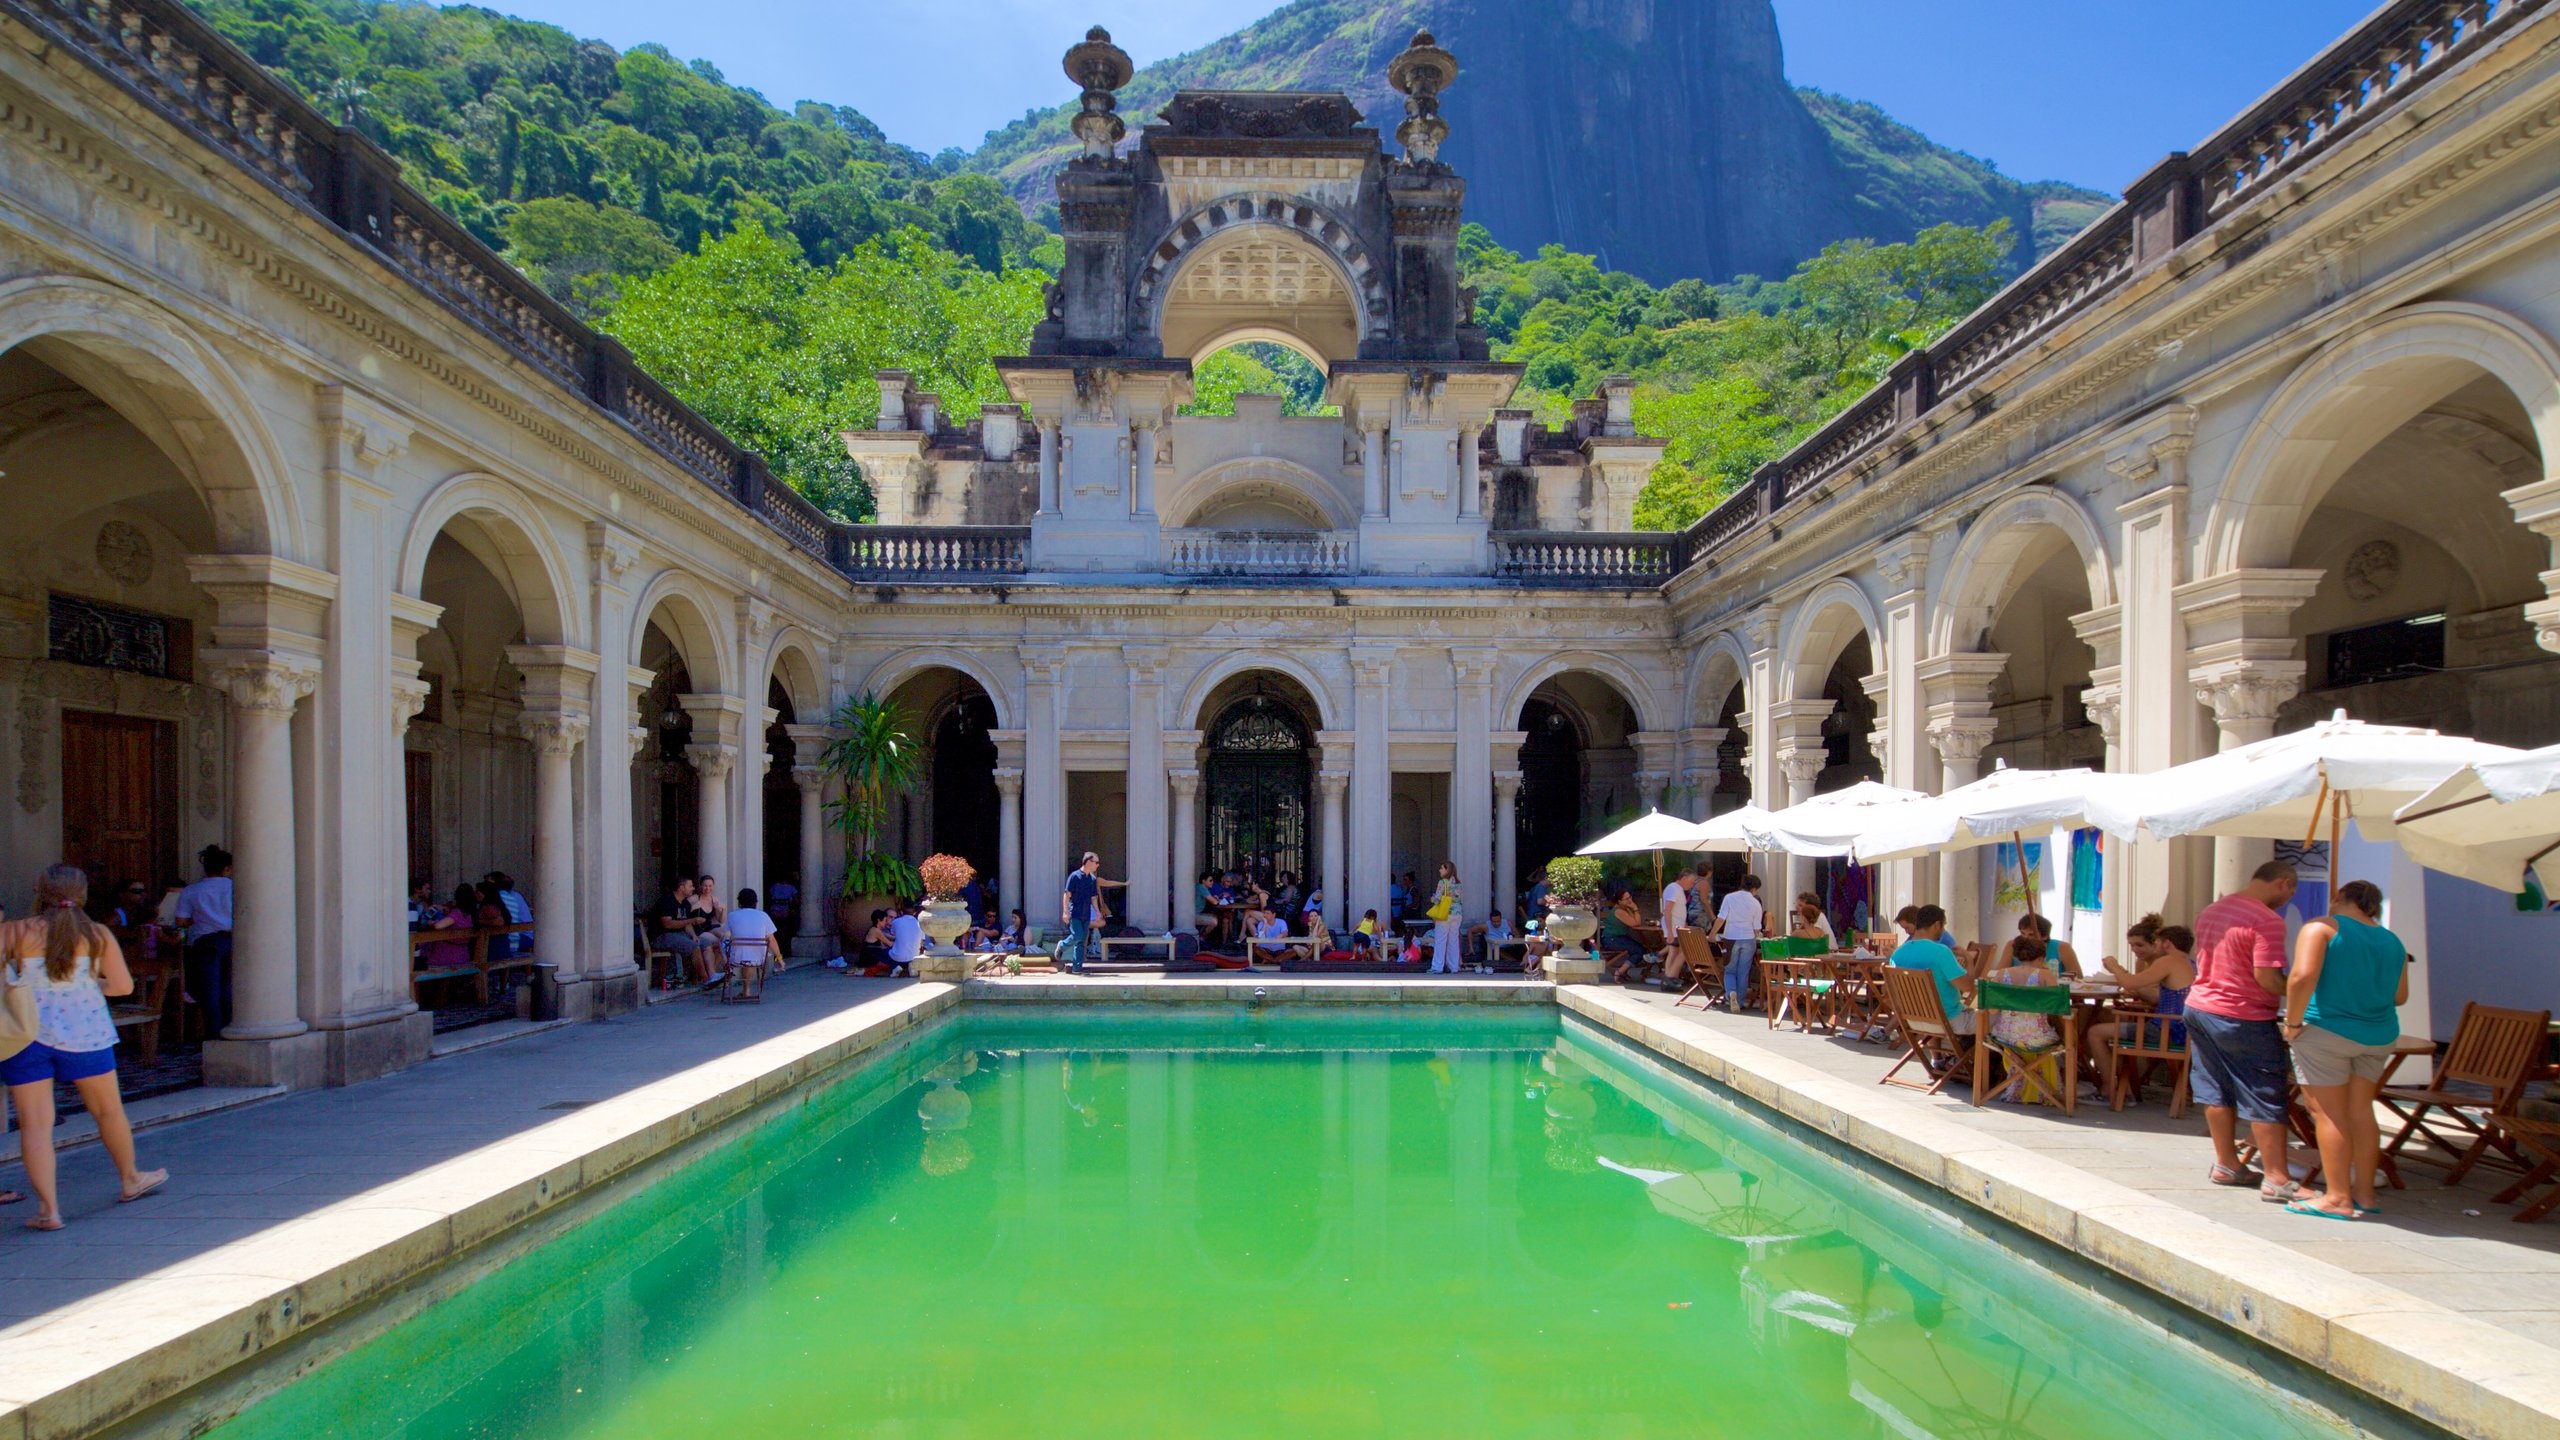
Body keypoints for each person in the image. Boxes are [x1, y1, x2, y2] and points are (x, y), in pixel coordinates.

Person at [2, 866, 168, 1229]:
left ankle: (49, 1211)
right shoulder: (97, 934)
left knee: (35, 1124)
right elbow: (122, 987)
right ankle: (130, 1179)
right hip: (86, 1032)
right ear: (83, 894)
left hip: (26, 1036)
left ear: (38, 890)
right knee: (108, 1111)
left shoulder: (13, 931)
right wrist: (86, 985)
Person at [2283, 881, 2410, 1221]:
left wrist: (2292, 1023)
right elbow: (2399, 996)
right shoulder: (2392, 940)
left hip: (2327, 1030)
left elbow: (2301, 976)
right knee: (2360, 1113)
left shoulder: (2321, 927)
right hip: (2379, 1034)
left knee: (2327, 1113)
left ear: (2339, 897)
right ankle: (2365, 1194)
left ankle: (2337, 1197)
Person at [2188, 860, 2301, 1201]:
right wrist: (2297, 989)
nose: (2288, 898)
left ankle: (2226, 1163)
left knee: (2214, 1088)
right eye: (2291, 891)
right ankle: (2277, 1178)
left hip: (2199, 1006)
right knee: (2263, 1090)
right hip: (2242, 1014)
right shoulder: (2267, 920)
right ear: (2282, 883)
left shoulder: (2212, 910)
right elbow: (2266, 976)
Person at [2089, 916, 2194, 1085]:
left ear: (2166, 944)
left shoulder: (2169, 961)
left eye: (2157, 942)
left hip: (2166, 1031)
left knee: (2095, 1032)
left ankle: (2110, 1089)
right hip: (2185, 1032)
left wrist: (2114, 967)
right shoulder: (2191, 964)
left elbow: (2129, 983)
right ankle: (2127, 1087)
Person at [173, 844, 234, 1035]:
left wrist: (198, 918)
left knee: (210, 990)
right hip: (232, 939)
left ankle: (214, 1033)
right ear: (227, 868)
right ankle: (231, 1028)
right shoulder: (235, 888)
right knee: (229, 988)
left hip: (205, 941)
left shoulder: (191, 891)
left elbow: (181, 921)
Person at [1890, 904, 1977, 1035]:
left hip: (1913, 1021)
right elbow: (1968, 987)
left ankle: (1938, 1056)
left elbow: (1889, 991)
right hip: (1947, 1021)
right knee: (1995, 1017)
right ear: (1937, 925)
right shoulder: (1941, 952)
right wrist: (1969, 959)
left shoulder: (1898, 953)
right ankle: (1978, 1056)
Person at [1716, 874, 1766, 1013]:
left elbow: (1721, 918)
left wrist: (1712, 933)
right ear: (1754, 889)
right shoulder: (1756, 903)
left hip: (1731, 937)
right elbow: (1757, 927)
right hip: (1748, 938)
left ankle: (1730, 993)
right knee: (1743, 972)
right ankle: (1739, 1000)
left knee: (1730, 969)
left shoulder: (1730, 898)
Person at [721, 887, 783, 999]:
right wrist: (779, 958)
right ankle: (746, 990)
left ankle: (728, 967)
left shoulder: (732, 915)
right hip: (759, 958)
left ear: (739, 902)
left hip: (735, 958)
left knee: (724, 941)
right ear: (755, 902)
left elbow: (725, 933)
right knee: (750, 953)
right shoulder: (763, 915)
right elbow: (771, 939)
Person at [649, 877, 706, 983]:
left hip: (679, 934)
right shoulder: (666, 901)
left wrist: (693, 935)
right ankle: (706, 979)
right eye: (690, 886)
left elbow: (687, 923)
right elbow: (668, 924)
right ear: (681, 888)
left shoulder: (686, 904)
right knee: (693, 947)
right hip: (661, 936)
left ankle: (697, 976)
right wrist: (693, 920)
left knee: (705, 944)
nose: (693, 888)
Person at [1061, 852, 1103, 975]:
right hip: (1075, 913)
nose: (1098, 865)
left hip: (1086, 914)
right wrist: (1065, 911)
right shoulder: (1074, 876)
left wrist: (1097, 912)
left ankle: (1077, 968)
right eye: (1096, 862)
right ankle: (1062, 946)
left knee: (1081, 941)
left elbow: (1094, 898)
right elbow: (1067, 894)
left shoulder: (1092, 879)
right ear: (1089, 862)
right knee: (1077, 935)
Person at [1599, 881, 1647, 983]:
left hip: (1619, 937)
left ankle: (1623, 971)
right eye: (1626, 899)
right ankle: (1619, 972)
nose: (1630, 900)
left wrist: (1631, 908)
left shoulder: (1624, 908)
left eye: (1630, 897)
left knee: (1640, 949)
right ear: (1619, 901)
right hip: (1611, 939)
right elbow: (1636, 923)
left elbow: (1635, 921)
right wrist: (1635, 908)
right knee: (1639, 951)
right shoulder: (1619, 911)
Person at [1427, 860, 1465, 975]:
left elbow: (1437, 899)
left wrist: (1431, 899)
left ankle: (1437, 966)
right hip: (1457, 914)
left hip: (1445, 913)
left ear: (1447, 870)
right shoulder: (1458, 883)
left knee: (1440, 940)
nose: (1440, 870)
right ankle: (1454, 966)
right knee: (1453, 940)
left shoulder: (1443, 882)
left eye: (1442, 868)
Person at [2019, 912, 2083, 978]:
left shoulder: (2063, 948)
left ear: (2044, 936)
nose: (2025, 938)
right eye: (2022, 933)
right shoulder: (2013, 946)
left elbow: (2078, 978)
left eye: (2031, 935)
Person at [886, 899, 923, 977]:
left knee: (883, 951)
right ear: (915, 912)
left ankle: (895, 967)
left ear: (901, 912)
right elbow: (921, 943)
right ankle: (912, 966)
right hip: (914, 957)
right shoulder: (920, 924)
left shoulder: (896, 922)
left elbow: (893, 935)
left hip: (897, 958)